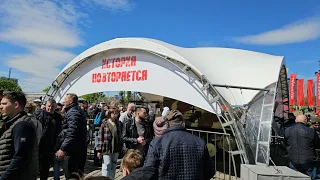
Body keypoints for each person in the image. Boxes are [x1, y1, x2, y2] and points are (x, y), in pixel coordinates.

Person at [144, 110, 215, 180]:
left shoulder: (157, 143)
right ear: (183, 123)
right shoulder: (199, 142)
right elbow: (210, 172)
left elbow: (147, 172)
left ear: (167, 124)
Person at [0, 92, 42, 179]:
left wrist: (4, 177)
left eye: (4, 104)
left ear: (16, 105)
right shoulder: (12, 123)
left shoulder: (22, 125)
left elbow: (20, 156)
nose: (1, 106)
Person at [56, 93, 87, 177]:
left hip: (73, 150)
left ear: (70, 101)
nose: (64, 101)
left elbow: (71, 132)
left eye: (65, 99)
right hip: (78, 148)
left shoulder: (73, 112)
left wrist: (62, 148)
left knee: (71, 174)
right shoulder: (76, 110)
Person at [34, 98, 63, 180]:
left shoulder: (58, 117)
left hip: (50, 146)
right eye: (49, 106)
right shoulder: (40, 115)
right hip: (39, 145)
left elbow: (59, 132)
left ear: (56, 107)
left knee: (45, 168)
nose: (50, 108)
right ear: (45, 106)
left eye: (52, 106)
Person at [285, 114, 320, 179]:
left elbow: (286, 143)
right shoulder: (311, 131)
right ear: (306, 120)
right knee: (313, 177)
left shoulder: (287, 130)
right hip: (308, 161)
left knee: (294, 177)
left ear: (295, 120)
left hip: (293, 159)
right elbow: (317, 145)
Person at [96, 106, 122, 180]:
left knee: (113, 165)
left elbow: (119, 136)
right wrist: (99, 150)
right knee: (106, 165)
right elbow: (100, 137)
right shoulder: (105, 123)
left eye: (116, 113)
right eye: (114, 113)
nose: (116, 115)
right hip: (106, 148)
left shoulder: (118, 123)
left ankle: (112, 178)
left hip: (116, 148)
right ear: (110, 114)